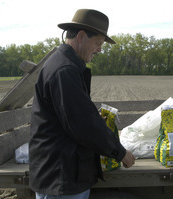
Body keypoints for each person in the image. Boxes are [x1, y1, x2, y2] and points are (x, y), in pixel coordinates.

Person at [29, 9, 135, 199]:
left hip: (61, 173)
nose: (100, 49)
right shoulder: (65, 71)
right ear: (81, 36)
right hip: (61, 176)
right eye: (98, 43)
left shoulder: (63, 65)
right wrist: (119, 153)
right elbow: (83, 125)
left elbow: (74, 115)